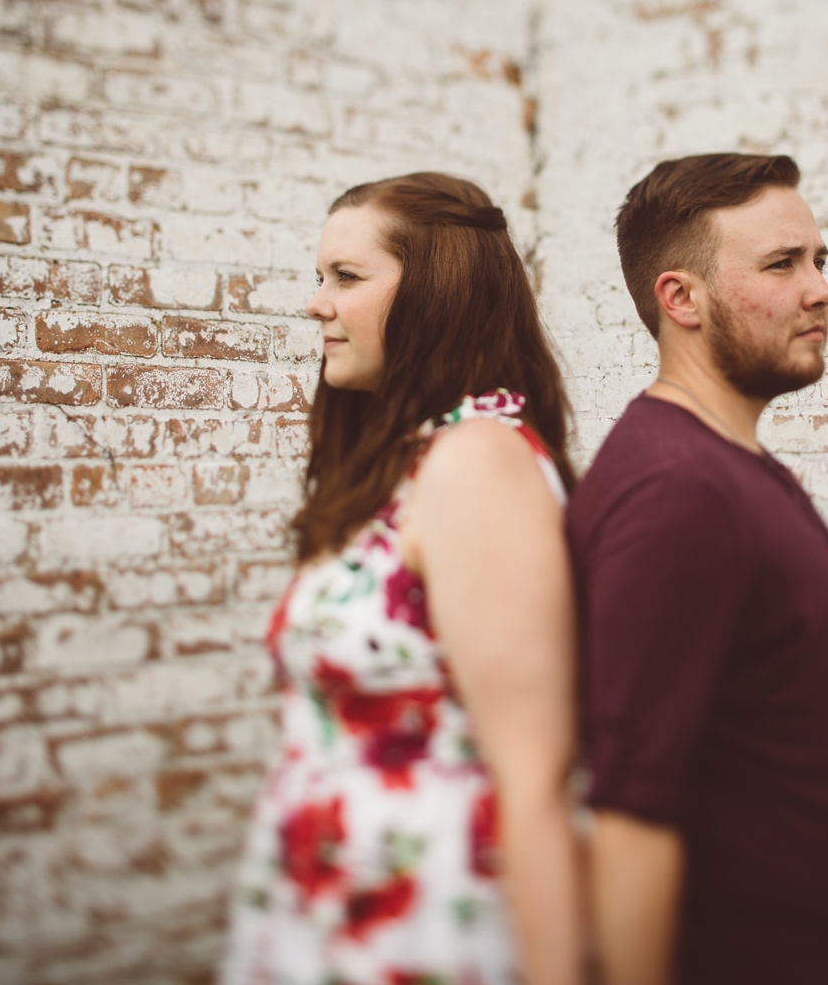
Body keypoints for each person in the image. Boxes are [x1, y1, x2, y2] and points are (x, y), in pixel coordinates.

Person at [221, 173, 583, 985]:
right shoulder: (412, 460)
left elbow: (536, 780)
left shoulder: (478, 463)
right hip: (329, 921)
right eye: (321, 277)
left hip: (424, 935)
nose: (317, 304)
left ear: (437, 293)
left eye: (345, 277)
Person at [567, 153, 828, 984]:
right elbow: (631, 808)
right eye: (782, 265)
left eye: (819, 260)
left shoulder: (716, 464)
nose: (821, 290)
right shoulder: (679, 494)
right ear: (681, 299)